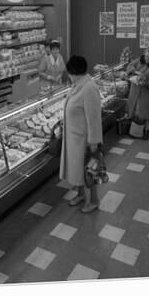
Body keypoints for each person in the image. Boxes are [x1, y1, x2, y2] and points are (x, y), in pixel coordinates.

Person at [60, 55, 103, 213]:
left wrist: (93, 143)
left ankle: (94, 200)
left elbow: (94, 119)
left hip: (84, 140)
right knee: (78, 171)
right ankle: (80, 194)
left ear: (76, 72)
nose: (69, 76)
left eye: (70, 73)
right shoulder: (78, 84)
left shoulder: (89, 88)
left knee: (90, 172)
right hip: (74, 138)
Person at [125, 47, 149, 138]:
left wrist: (145, 82)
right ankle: (134, 130)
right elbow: (130, 65)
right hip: (135, 89)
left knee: (145, 112)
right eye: (146, 56)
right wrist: (133, 71)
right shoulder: (140, 60)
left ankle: (146, 130)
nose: (146, 59)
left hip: (146, 93)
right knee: (134, 109)